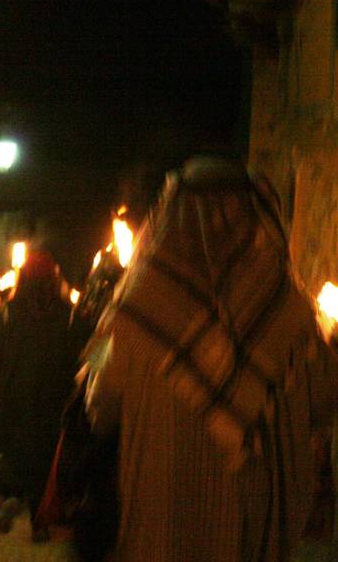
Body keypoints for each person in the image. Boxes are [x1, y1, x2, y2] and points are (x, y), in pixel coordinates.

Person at [85, 156, 338, 562]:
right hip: (254, 535)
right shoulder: (292, 317)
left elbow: (99, 403)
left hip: (162, 532)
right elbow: (325, 401)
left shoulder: (136, 312)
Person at [0, 248, 76, 539]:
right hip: (52, 398)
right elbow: (77, 355)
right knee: (44, 463)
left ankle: (12, 495)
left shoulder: (11, 311)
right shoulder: (66, 314)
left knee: (14, 453)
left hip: (14, 396)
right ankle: (38, 521)